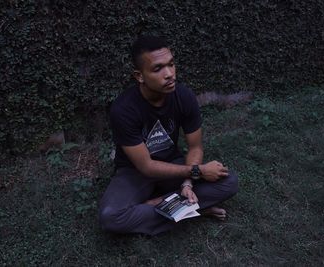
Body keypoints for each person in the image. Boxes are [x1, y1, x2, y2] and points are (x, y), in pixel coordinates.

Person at [98, 36, 238, 235]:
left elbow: (195, 147)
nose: (170, 74)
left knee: (229, 181)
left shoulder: (184, 96)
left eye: (171, 65)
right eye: (158, 69)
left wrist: (188, 183)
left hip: (173, 164)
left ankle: (164, 204)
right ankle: (191, 209)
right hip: (135, 172)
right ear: (139, 76)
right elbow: (146, 166)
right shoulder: (123, 109)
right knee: (111, 217)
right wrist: (197, 171)